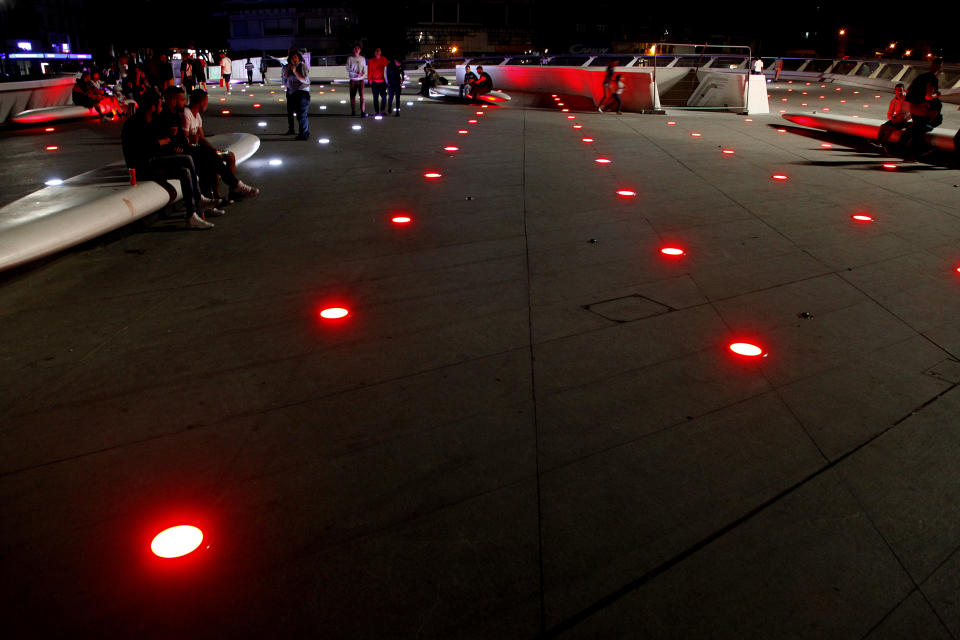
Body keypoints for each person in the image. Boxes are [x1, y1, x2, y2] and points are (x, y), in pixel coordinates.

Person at [120, 91, 217, 229]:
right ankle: (199, 199)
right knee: (187, 159)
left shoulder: (150, 121)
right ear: (152, 107)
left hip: (152, 160)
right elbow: (143, 149)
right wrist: (162, 142)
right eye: (159, 105)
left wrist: (165, 142)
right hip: (142, 167)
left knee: (185, 171)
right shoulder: (134, 124)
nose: (161, 107)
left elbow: (158, 143)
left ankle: (191, 215)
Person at [183, 89, 259, 200]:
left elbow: (202, 138)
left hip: (204, 149)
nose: (206, 104)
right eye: (206, 101)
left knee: (230, 155)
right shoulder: (187, 114)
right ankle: (218, 194)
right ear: (200, 102)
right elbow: (185, 138)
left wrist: (213, 149)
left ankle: (233, 190)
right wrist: (208, 148)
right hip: (196, 153)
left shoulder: (197, 115)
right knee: (213, 159)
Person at [904, 57, 943, 158]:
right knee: (922, 129)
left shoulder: (920, 76)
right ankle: (913, 154)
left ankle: (908, 151)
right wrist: (937, 95)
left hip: (912, 107)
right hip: (922, 109)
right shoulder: (933, 79)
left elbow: (907, 90)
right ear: (939, 67)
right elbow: (928, 96)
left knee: (916, 130)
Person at [282, 50, 311, 139]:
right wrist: (287, 72)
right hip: (292, 93)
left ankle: (304, 134)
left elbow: (304, 80)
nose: (294, 59)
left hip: (302, 93)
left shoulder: (302, 66)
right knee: (298, 115)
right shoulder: (288, 67)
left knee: (302, 114)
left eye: (295, 57)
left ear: (299, 58)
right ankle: (303, 132)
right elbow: (285, 81)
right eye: (292, 58)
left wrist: (295, 71)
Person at [878, 83, 911, 153]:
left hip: (904, 121)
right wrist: (893, 118)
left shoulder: (908, 99)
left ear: (903, 90)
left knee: (890, 129)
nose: (899, 92)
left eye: (900, 91)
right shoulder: (893, 101)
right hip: (896, 120)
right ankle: (880, 143)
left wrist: (903, 119)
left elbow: (912, 113)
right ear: (895, 91)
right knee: (883, 127)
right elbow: (889, 113)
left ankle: (885, 146)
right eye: (897, 91)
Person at [346, 44, 367, 116]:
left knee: (362, 96)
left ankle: (362, 111)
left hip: (361, 80)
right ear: (353, 50)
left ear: (360, 50)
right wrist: (355, 73)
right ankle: (353, 111)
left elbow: (364, 67)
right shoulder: (350, 58)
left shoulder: (362, 58)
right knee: (352, 96)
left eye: (358, 48)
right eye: (355, 48)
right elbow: (347, 68)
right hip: (353, 80)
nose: (356, 49)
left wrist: (363, 73)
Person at [367, 47, 388, 116]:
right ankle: (377, 111)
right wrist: (369, 79)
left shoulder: (384, 59)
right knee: (375, 98)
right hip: (375, 82)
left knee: (384, 97)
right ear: (374, 53)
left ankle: (382, 110)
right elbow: (369, 70)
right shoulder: (371, 61)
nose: (377, 52)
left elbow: (388, 68)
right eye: (376, 51)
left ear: (380, 52)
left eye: (378, 51)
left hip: (382, 82)